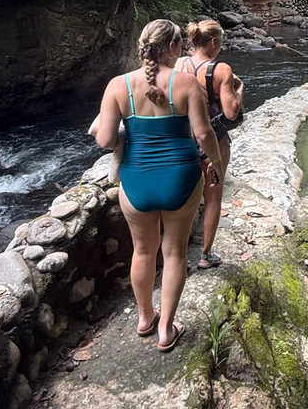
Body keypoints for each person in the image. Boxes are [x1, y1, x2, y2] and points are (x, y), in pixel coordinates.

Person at [94, 19, 223, 352]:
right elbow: (204, 133)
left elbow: (105, 140)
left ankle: (145, 318)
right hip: (181, 177)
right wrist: (215, 163)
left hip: (136, 180)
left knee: (142, 250)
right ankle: (166, 329)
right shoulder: (186, 83)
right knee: (174, 252)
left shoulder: (118, 85)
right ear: (173, 47)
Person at [177, 19, 244, 269]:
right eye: (221, 42)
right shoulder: (221, 70)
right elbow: (231, 113)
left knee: (183, 198)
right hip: (213, 140)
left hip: (183, 138)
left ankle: (178, 256)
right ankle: (206, 255)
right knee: (213, 197)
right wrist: (239, 90)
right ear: (214, 42)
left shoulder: (178, 64)